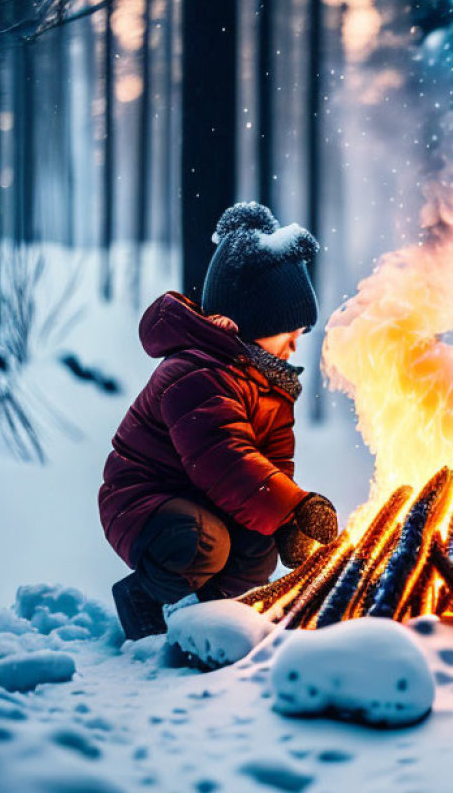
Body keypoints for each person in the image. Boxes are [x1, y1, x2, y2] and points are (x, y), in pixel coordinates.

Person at [99, 202, 337, 640]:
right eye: (289, 333)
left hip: (202, 499)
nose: (294, 346)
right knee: (203, 540)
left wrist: (286, 526)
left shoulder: (270, 388)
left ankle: (215, 619)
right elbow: (226, 461)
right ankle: (142, 600)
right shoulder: (198, 372)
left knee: (257, 548)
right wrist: (295, 505)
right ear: (252, 324)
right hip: (145, 500)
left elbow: (271, 468)